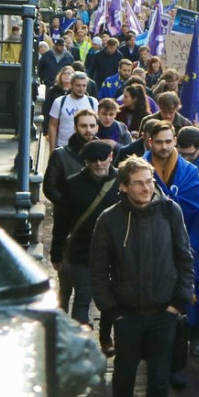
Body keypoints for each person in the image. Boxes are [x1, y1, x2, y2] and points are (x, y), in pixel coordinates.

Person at [91, 155, 195, 397]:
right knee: (123, 376)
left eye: (150, 180)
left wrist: (179, 301)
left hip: (164, 312)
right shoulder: (109, 219)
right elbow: (98, 270)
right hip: (128, 315)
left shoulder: (169, 210)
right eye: (138, 182)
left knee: (160, 381)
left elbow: (184, 256)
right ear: (124, 186)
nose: (147, 187)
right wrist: (112, 310)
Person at [54, 140, 119, 329]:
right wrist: (57, 251)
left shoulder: (122, 182)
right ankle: (76, 338)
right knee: (83, 295)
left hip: (112, 252)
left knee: (109, 298)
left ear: (111, 157)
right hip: (81, 250)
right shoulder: (73, 184)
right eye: (93, 160)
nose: (99, 164)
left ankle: (103, 337)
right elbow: (61, 220)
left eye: (102, 159)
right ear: (86, 162)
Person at [44, 108, 98, 211]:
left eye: (92, 126)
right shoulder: (60, 155)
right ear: (75, 128)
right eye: (83, 126)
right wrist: (67, 205)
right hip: (67, 218)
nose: (88, 130)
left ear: (97, 128)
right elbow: (49, 187)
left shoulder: (105, 155)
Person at [47, 71, 97, 149]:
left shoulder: (93, 102)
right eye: (78, 85)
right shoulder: (59, 102)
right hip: (63, 146)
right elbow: (53, 126)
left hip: (86, 147)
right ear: (71, 85)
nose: (81, 89)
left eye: (84, 86)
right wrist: (52, 149)